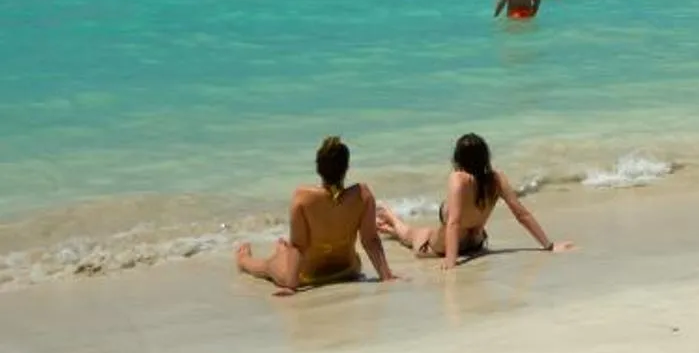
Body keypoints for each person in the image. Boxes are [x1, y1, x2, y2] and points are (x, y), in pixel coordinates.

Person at [376, 133, 575, 265]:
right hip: (476, 244)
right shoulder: (497, 179)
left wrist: (451, 261)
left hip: (438, 248)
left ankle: (390, 217)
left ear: (458, 158)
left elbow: (453, 222)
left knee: (412, 234)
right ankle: (389, 225)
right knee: (415, 232)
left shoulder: (458, 178)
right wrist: (549, 245)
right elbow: (521, 214)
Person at [234, 136, 398, 295]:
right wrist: (386, 276)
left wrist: (290, 287)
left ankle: (243, 260)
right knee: (285, 252)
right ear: (346, 168)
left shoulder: (303, 198)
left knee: (267, 265)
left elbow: (299, 246)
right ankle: (281, 250)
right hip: (348, 270)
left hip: (306, 277)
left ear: (318, 168)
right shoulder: (363, 195)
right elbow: (370, 240)